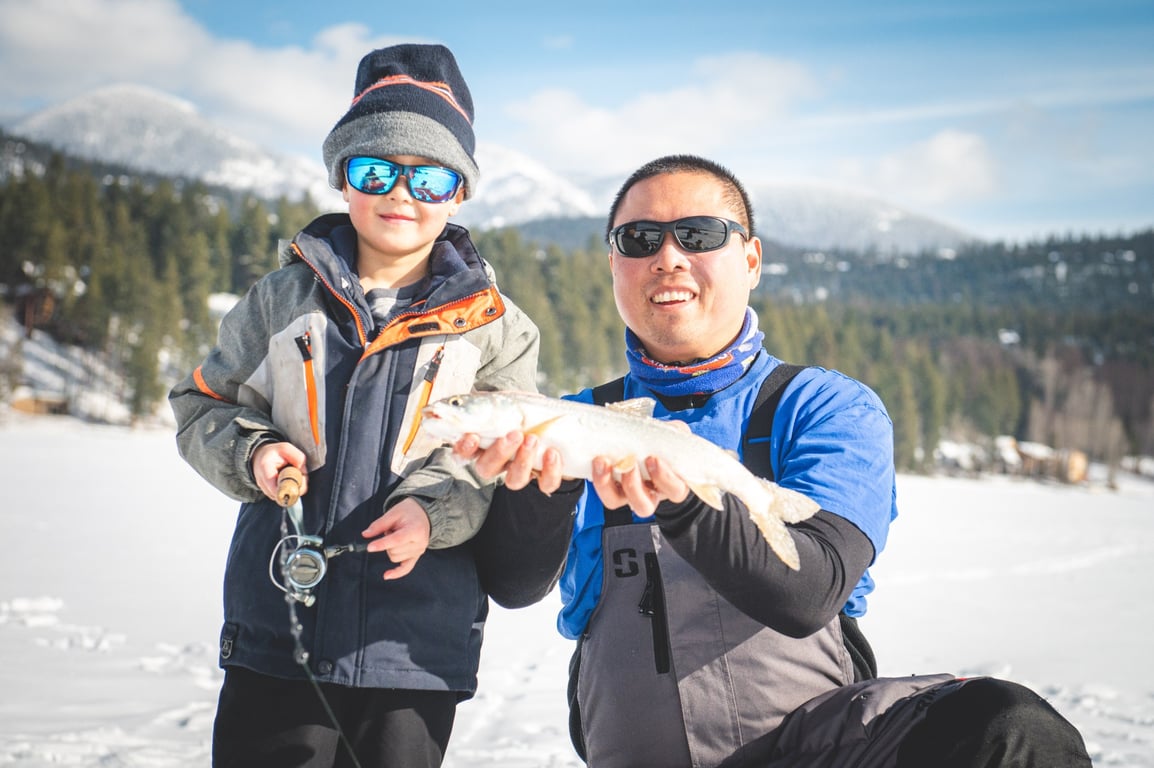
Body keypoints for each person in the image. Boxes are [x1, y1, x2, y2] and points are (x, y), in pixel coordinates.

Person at [464, 154, 1093, 767]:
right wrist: (536, 491)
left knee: (1010, 730)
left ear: (752, 259)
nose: (668, 256)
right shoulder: (574, 421)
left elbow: (808, 592)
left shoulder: (823, 408)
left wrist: (685, 497)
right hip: (629, 748)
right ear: (613, 264)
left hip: (817, 748)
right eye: (639, 238)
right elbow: (517, 587)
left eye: (699, 234)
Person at [169, 44, 542, 767]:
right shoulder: (279, 301)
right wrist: (253, 450)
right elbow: (200, 402)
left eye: (429, 177)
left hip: (414, 645)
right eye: (376, 171)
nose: (401, 194)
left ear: (458, 192)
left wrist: (434, 514)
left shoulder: (496, 326)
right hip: (277, 626)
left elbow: (494, 462)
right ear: (344, 179)